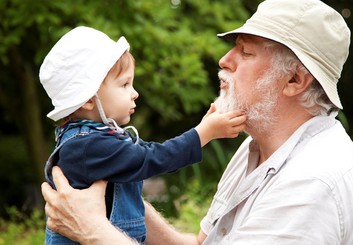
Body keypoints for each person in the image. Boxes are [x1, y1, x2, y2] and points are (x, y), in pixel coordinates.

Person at [41, 0, 353, 244]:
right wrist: (115, 195)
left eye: (246, 52)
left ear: (295, 80)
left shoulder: (312, 187)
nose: (225, 59)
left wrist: (94, 231)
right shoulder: (257, 150)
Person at [39, 26, 246, 244]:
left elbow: (151, 152)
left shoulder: (99, 138)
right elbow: (152, 159)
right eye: (125, 84)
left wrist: (203, 128)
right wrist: (204, 133)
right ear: (89, 99)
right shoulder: (87, 145)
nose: (135, 93)